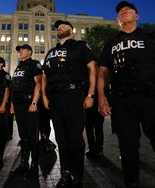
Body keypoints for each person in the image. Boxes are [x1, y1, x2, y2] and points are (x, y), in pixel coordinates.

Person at [97, 1, 155, 188]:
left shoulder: (153, 35)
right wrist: (101, 99)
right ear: (118, 19)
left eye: (128, 10)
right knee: (127, 148)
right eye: (120, 11)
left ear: (137, 16)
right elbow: (102, 73)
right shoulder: (110, 43)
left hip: (153, 97)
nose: (124, 12)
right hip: (123, 101)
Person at [42, 20, 96, 188]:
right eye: (58, 27)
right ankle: (65, 173)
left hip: (74, 96)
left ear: (72, 30)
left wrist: (90, 94)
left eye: (64, 26)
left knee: (74, 137)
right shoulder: (51, 51)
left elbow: (92, 69)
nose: (61, 28)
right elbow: (45, 75)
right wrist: (44, 96)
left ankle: (77, 176)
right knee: (61, 138)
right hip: (55, 98)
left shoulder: (81, 46)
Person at [10, 44, 42, 179]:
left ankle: (34, 165)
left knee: (32, 136)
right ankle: (24, 163)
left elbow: (39, 84)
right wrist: (12, 105)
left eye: (22, 49)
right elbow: (14, 87)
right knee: (23, 136)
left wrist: (34, 102)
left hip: (29, 103)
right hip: (18, 105)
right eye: (19, 50)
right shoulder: (18, 67)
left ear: (29, 51)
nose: (20, 52)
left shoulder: (34, 64)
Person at [84, 93, 104, 158]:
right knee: (96, 129)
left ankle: (96, 149)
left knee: (94, 129)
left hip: (94, 105)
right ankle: (96, 149)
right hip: (92, 106)